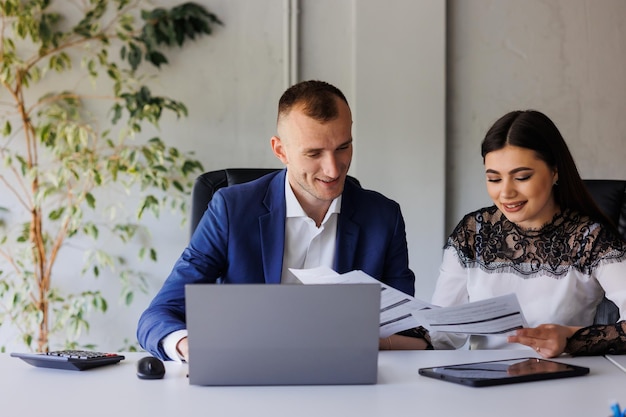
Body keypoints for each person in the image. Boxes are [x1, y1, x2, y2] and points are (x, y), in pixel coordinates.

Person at [137, 80, 430, 361]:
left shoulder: (383, 217)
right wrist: (191, 347)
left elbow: (407, 327)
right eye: (314, 153)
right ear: (281, 150)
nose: (332, 169)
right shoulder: (230, 210)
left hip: (346, 382)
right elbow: (158, 315)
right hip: (248, 379)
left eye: (343, 147)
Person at [430, 109, 626, 357]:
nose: (506, 193)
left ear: (554, 171)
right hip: (482, 383)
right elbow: (442, 333)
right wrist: (386, 341)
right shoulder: (473, 231)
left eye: (521, 177)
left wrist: (571, 339)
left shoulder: (590, 238)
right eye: (494, 179)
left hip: (563, 380)